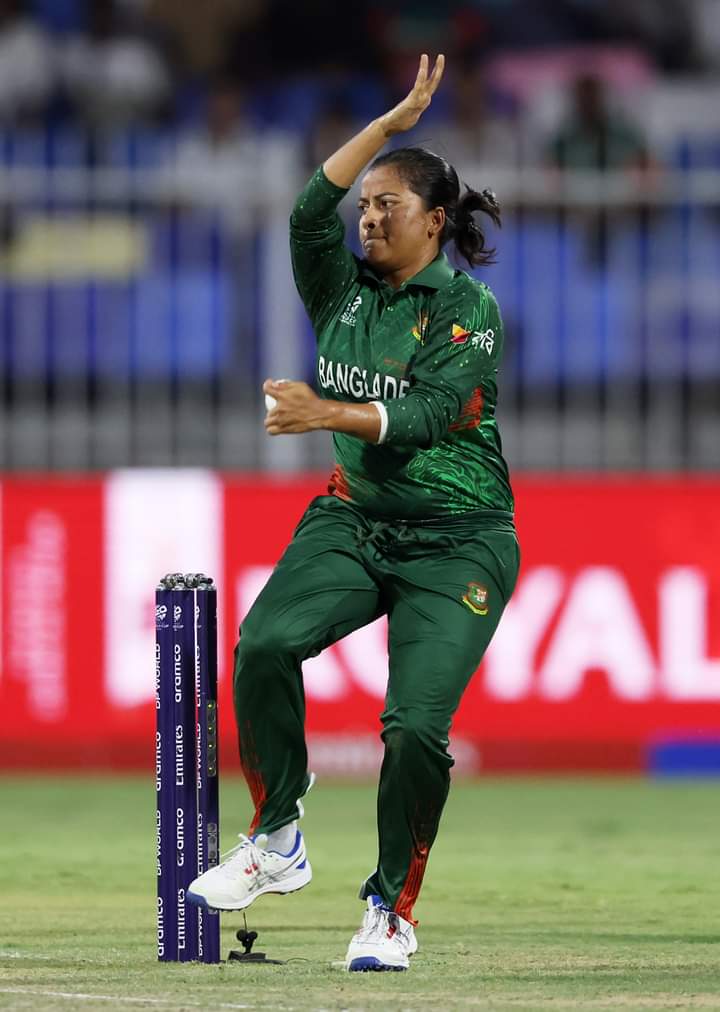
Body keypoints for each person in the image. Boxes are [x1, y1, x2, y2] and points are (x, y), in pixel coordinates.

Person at [187, 54, 520, 973]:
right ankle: (278, 833)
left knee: (414, 730)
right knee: (261, 646)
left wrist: (320, 412)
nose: (367, 218)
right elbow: (304, 211)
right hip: (354, 520)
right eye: (365, 205)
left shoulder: (468, 310)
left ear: (436, 221)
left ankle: (388, 911)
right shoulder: (338, 288)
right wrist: (389, 124)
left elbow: (419, 416)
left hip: (460, 543)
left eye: (389, 206)